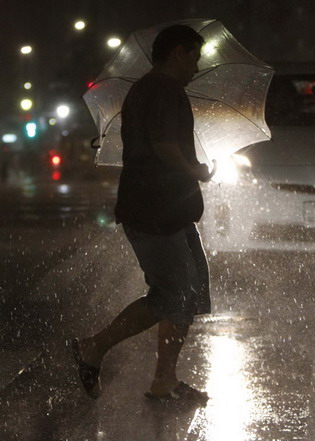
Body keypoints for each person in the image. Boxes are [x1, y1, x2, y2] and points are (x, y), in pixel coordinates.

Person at [72, 24, 216, 401]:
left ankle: (164, 378)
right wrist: (196, 170)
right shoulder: (164, 91)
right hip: (156, 208)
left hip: (166, 207)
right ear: (178, 53)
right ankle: (96, 348)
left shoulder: (149, 91)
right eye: (194, 57)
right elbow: (165, 146)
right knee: (173, 293)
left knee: (188, 292)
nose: (196, 68)